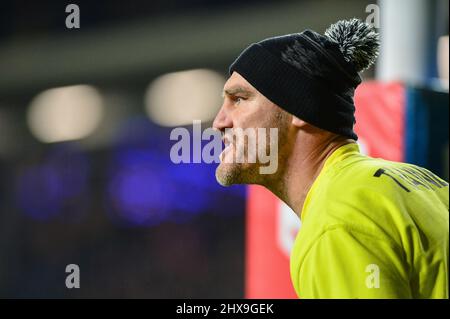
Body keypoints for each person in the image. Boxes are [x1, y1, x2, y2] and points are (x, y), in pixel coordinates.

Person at [212, 18, 449, 298]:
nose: (219, 121)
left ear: (299, 108)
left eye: (239, 99)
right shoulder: (416, 181)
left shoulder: (337, 220)